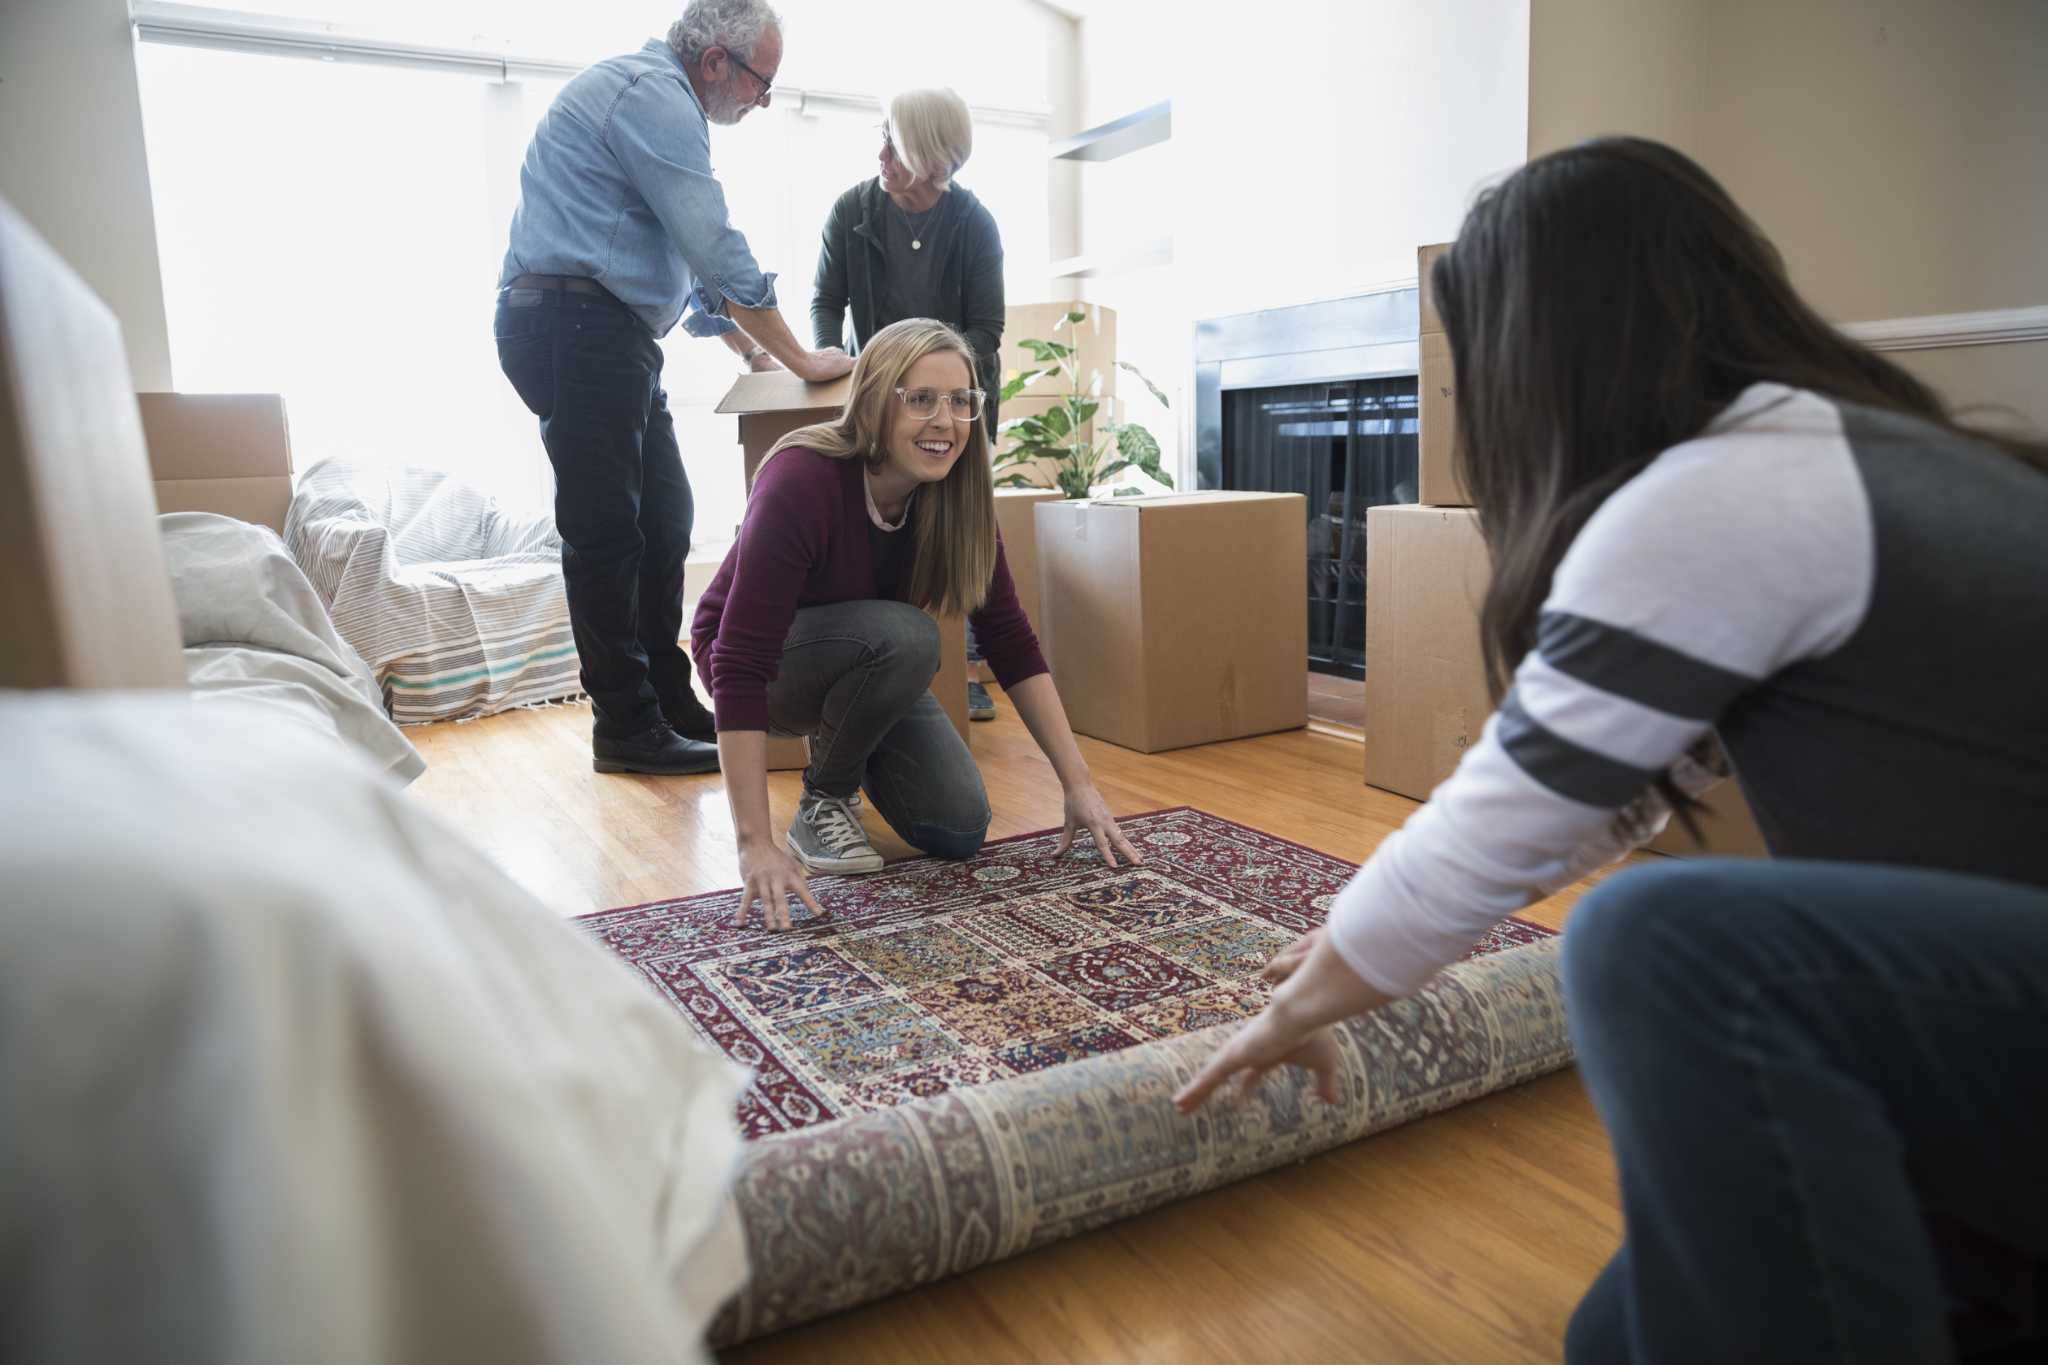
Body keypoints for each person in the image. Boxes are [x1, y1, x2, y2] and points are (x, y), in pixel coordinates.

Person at [1175, 137, 2048, 1363]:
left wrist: (1290, 1013)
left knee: (1666, 944)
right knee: (1618, 1336)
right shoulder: (1831, 452)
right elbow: (1604, 797)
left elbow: (1497, 822)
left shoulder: (1726, 493)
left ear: (1536, 349)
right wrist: (1329, 973)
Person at [494, 0, 852, 778]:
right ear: (716, 61)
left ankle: (665, 696)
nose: (761, 102)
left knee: (666, 519)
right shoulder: (654, 96)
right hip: (573, 324)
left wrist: (749, 353)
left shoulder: (653, 101)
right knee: (608, 531)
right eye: (762, 83)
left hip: (603, 330)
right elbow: (714, 243)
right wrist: (799, 357)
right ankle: (624, 723)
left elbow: (688, 276)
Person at [691, 319, 1138, 927]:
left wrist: (1078, 784)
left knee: (957, 828)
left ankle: (841, 741)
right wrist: (752, 844)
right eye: (921, 399)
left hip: (865, 659)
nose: (945, 421)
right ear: (876, 400)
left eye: (960, 401)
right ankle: (824, 799)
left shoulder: (959, 498)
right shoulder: (802, 480)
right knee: (909, 635)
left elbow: (1010, 641)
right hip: (764, 671)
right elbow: (739, 660)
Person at [810, 87, 1008, 721]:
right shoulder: (851, 210)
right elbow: (825, 302)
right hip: (876, 403)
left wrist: (933, 382)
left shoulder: (974, 224)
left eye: (894, 141)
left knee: (955, 532)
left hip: (955, 405)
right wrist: (826, 356)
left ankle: (964, 671)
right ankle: (887, 668)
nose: (881, 153)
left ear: (934, 155)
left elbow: (987, 330)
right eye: (882, 136)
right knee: (881, 532)